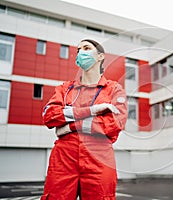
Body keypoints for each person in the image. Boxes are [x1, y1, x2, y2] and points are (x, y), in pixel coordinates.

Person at [41, 39, 128, 200]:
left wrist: (70, 125)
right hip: (64, 159)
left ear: (100, 56)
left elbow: (114, 124)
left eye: (86, 48)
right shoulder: (65, 89)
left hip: (99, 158)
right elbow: (49, 116)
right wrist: (92, 111)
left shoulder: (114, 89)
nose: (81, 52)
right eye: (79, 49)